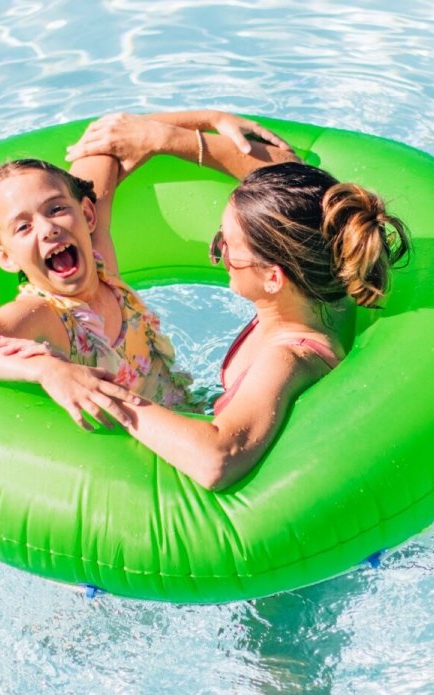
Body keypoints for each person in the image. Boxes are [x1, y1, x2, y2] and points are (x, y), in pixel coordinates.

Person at [58, 113, 411, 491]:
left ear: (273, 277)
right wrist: (171, 133)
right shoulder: (329, 278)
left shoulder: (288, 358)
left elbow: (217, 459)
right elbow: (294, 179)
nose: (217, 253)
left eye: (227, 245)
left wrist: (104, 395)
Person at [0, 110, 296, 432]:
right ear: (5, 258)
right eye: (23, 228)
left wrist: (210, 119)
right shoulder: (43, 314)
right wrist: (49, 370)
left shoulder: (98, 261)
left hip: (190, 411)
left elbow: (107, 140)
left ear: (87, 214)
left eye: (56, 208)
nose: (47, 229)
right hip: (148, 447)